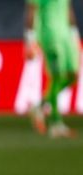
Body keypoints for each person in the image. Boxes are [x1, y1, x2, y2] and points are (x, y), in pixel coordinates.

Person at [25, 0, 80, 138]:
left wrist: (75, 34)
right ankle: (56, 124)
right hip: (50, 35)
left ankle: (40, 106)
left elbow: (68, 8)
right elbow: (32, 10)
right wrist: (30, 40)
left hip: (66, 35)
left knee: (73, 76)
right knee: (57, 77)